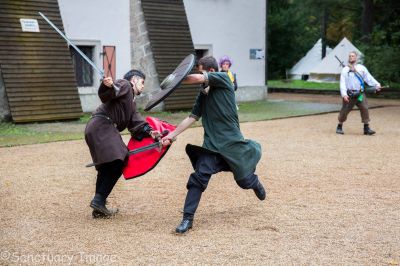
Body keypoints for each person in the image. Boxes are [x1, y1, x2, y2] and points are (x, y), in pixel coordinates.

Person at [162, 56, 266, 234]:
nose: (198, 76)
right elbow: (192, 117)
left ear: (211, 72)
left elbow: (196, 78)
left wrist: (175, 79)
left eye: (200, 70)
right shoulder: (203, 94)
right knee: (198, 178)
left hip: (233, 145)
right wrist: (171, 136)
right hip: (211, 147)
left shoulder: (223, 79)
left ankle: (254, 182)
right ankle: (187, 218)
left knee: (244, 181)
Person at [85, 70, 160, 218]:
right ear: (134, 80)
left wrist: (151, 132)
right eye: (142, 82)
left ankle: (98, 205)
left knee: (107, 166)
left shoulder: (130, 102)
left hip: (97, 127)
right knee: (120, 159)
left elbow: (136, 122)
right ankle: (99, 200)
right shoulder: (124, 85)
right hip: (102, 125)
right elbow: (108, 94)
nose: (143, 86)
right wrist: (107, 86)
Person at [336, 51, 382, 135]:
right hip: (350, 94)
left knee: (365, 108)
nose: (351, 57)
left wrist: (377, 84)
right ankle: (339, 126)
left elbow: (369, 78)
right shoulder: (345, 69)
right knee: (345, 111)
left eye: (353, 56)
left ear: (356, 58)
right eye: (350, 56)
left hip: (360, 93)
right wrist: (344, 95)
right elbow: (342, 83)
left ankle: (366, 128)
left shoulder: (361, 68)